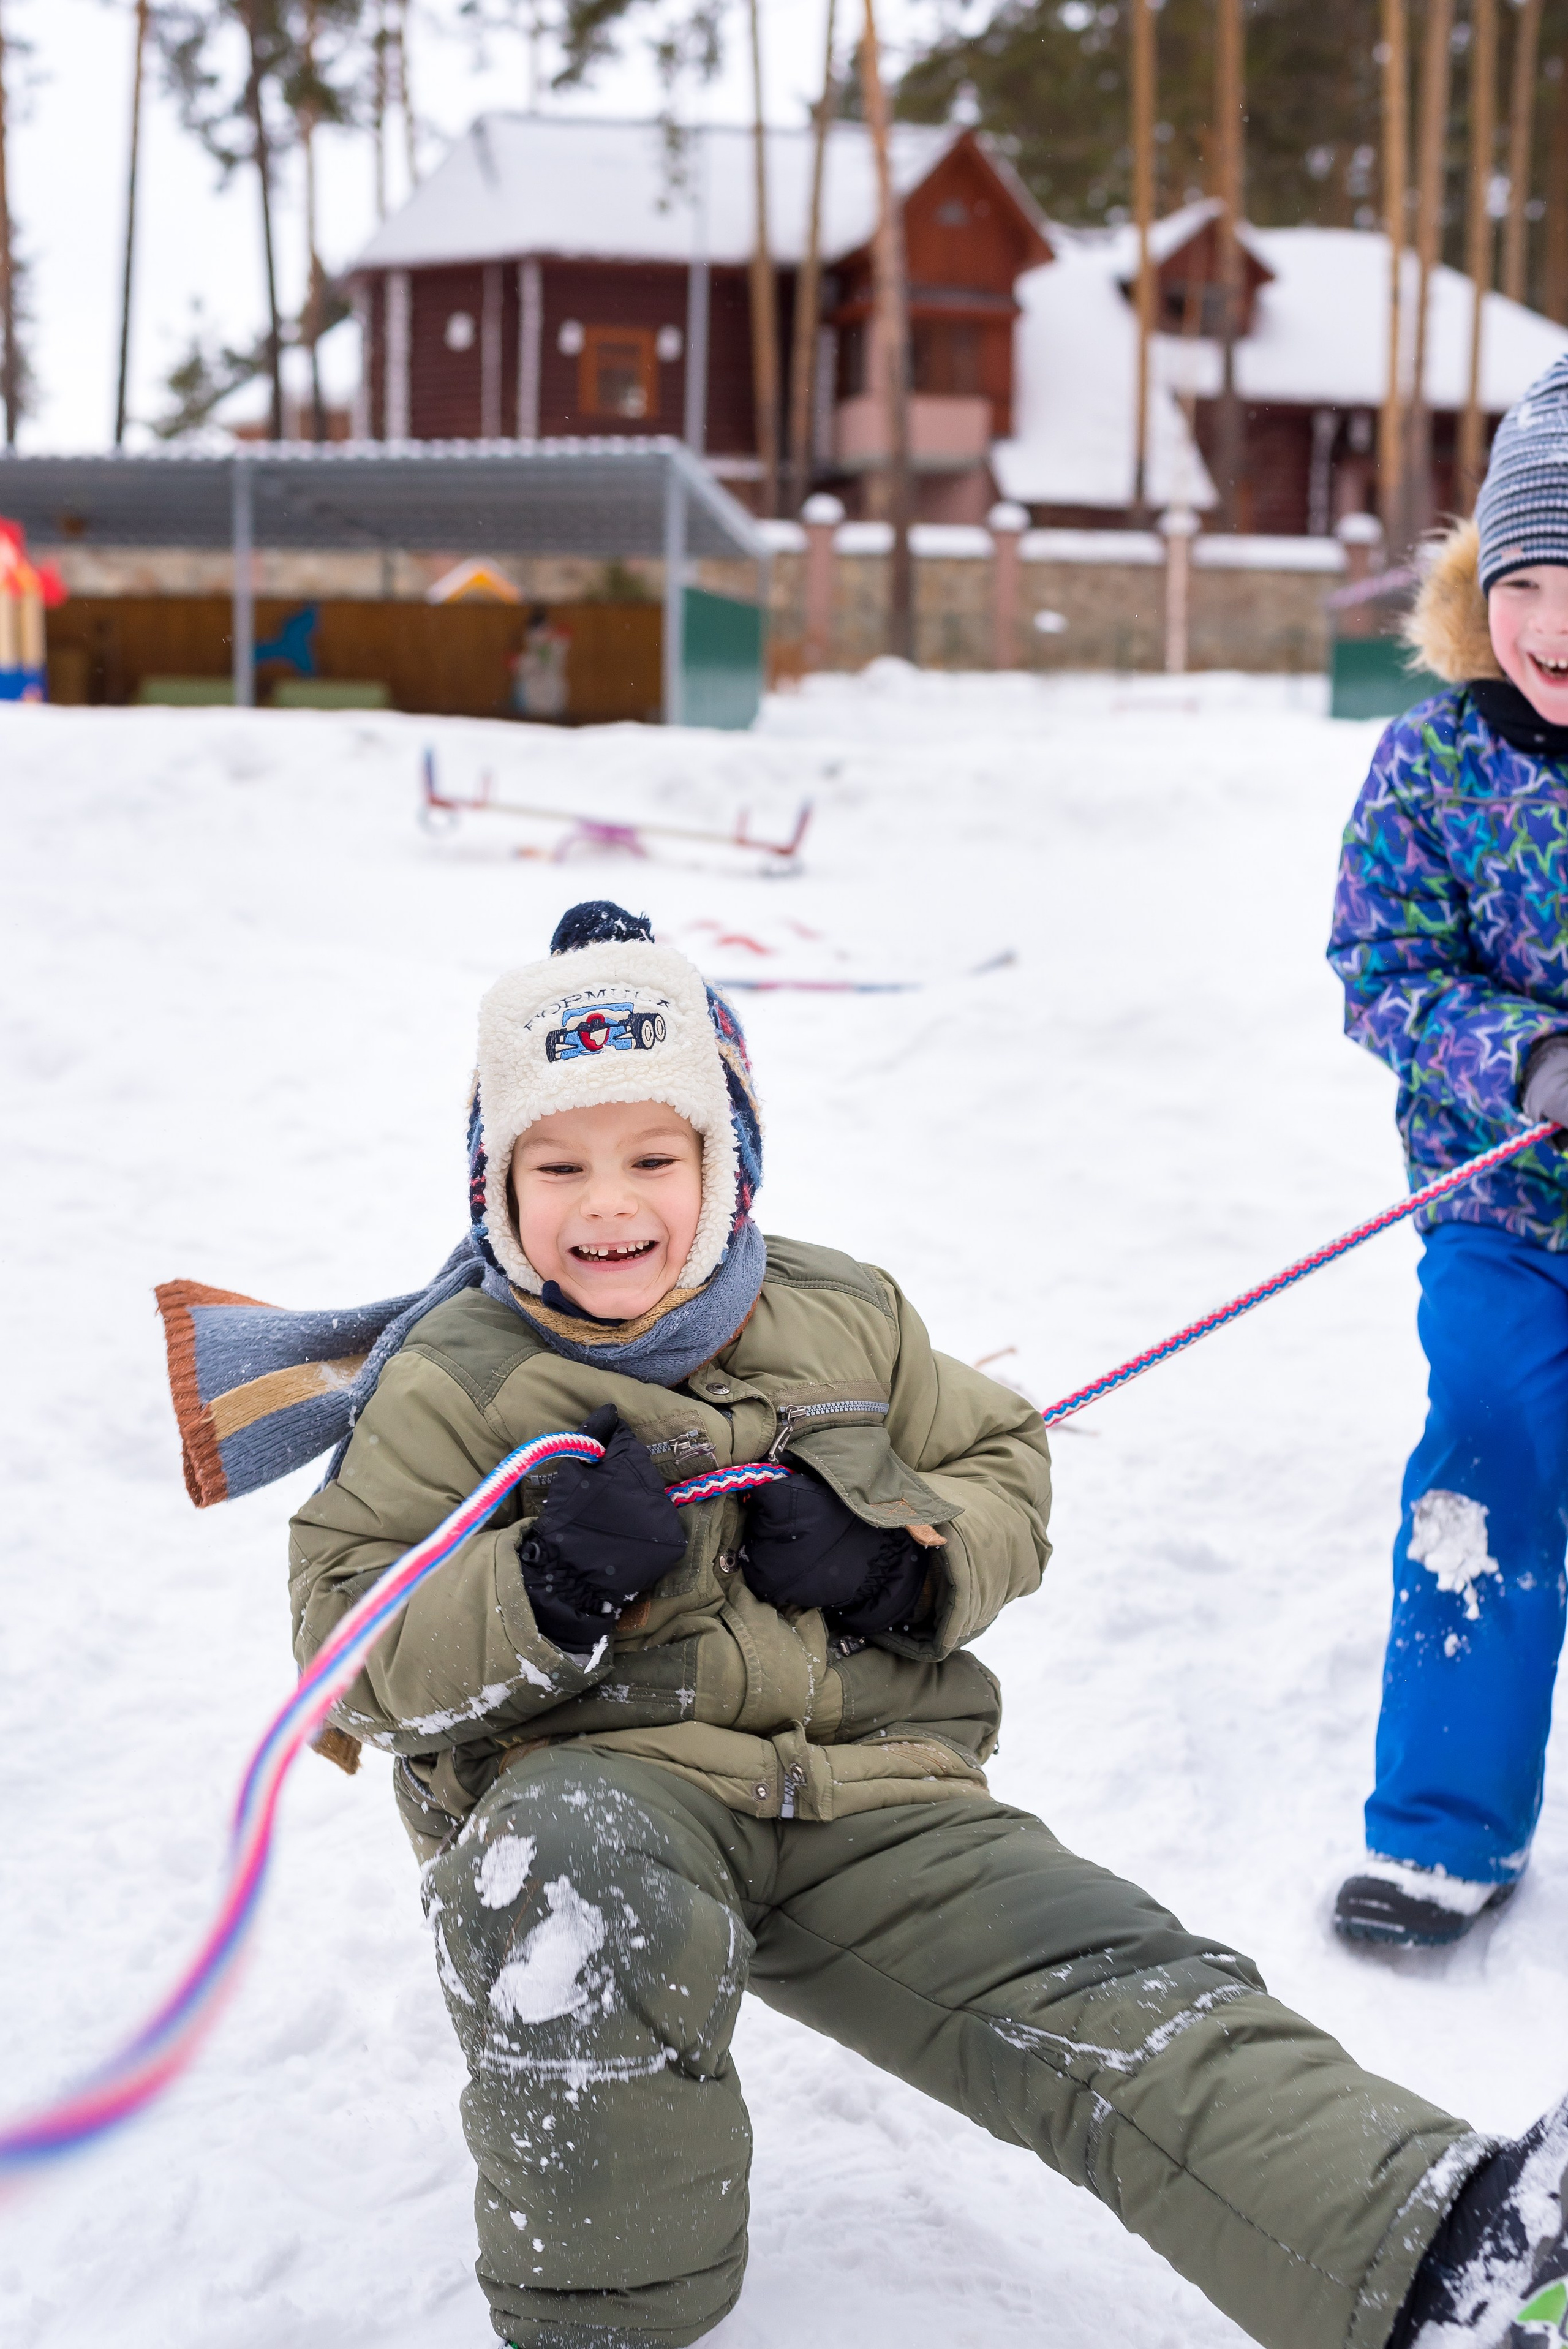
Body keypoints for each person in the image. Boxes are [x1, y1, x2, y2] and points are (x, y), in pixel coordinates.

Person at [268, 899, 1568, 2349]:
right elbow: (341, 1637)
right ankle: (609, 2323)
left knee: (1103, 1973)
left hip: (871, 1791)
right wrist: (542, 1589)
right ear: (493, 1182)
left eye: (653, 1156)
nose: (606, 1203)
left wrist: (899, 1563)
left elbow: (1004, 1462)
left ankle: (1435, 2246)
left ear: (728, 1163)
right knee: (563, 1876)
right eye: (554, 1164)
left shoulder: (844, 1314)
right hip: (604, 1790)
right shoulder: (453, 1378)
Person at [1329, 349, 1568, 1953]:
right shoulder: (1435, 765)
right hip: (1504, 1205)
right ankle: (1442, 1829)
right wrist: (1531, 1056)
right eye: (1524, 577)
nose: (1550, 622)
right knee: (1489, 1451)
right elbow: (1382, 968)